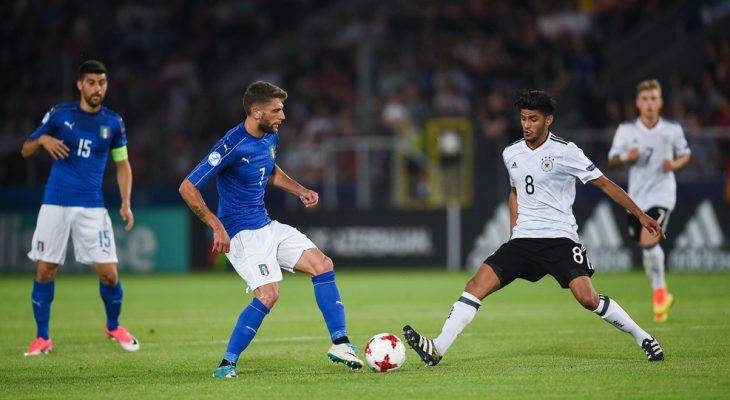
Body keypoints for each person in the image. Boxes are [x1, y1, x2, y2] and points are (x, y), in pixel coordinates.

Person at [403, 90, 666, 366]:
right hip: (524, 241)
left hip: (559, 239)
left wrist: (639, 214)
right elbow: (515, 192)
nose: (527, 125)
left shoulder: (566, 152)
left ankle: (643, 336)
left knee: (587, 298)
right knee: (475, 285)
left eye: (533, 119)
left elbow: (604, 183)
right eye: (523, 119)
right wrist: (514, 230)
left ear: (548, 120)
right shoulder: (511, 153)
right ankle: (437, 348)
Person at [179, 81, 363, 378]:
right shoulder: (231, 145)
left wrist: (300, 190)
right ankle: (227, 364)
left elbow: (270, 171)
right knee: (268, 294)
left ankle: (340, 343)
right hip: (241, 234)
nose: (283, 115)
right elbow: (187, 187)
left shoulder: (268, 137)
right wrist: (216, 226)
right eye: (276, 110)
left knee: (322, 264)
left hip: (266, 225)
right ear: (256, 112)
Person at [21, 60, 138, 356]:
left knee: (109, 273)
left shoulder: (113, 123)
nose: (97, 88)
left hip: (92, 207)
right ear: (80, 85)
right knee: (46, 270)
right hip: (55, 202)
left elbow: (122, 164)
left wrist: (125, 202)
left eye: (101, 82)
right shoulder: (61, 115)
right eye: (91, 82)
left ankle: (113, 326)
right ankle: (42, 337)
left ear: (106, 85)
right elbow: (25, 148)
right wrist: (44, 139)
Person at [608, 79, 691, 322]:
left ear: (660, 102)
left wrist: (674, 164)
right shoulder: (627, 130)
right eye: (645, 99)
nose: (649, 104)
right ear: (637, 103)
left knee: (648, 240)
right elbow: (612, 160)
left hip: (662, 194)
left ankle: (659, 292)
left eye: (654, 99)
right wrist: (627, 158)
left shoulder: (672, 130)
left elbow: (686, 154)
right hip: (636, 198)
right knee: (644, 246)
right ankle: (660, 289)